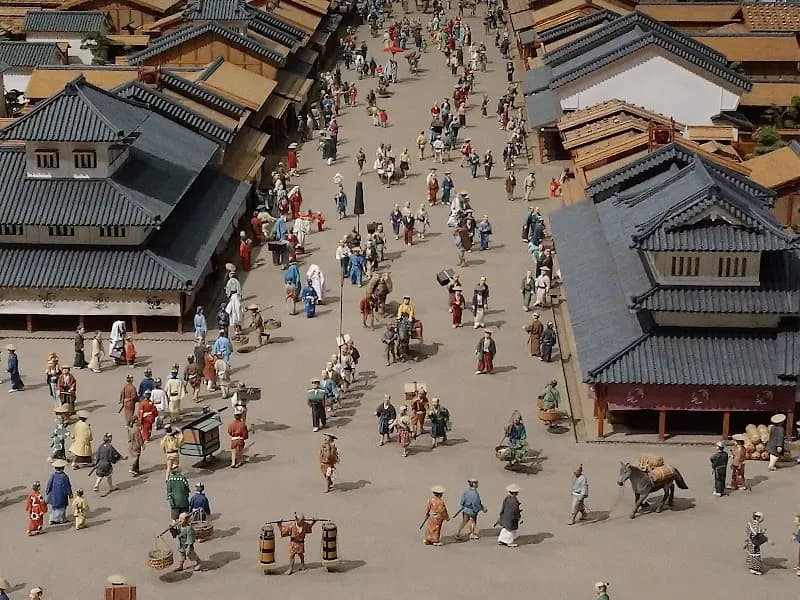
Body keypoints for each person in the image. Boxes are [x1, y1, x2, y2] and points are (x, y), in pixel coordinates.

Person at [45, 460, 72, 525]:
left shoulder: (53, 475)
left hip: (53, 495)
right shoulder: (64, 476)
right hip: (62, 495)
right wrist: (69, 493)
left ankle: (52, 519)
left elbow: (49, 484)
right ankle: (61, 519)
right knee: (62, 508)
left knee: (54, 508)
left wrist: (47, 491)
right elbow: (67, 486)